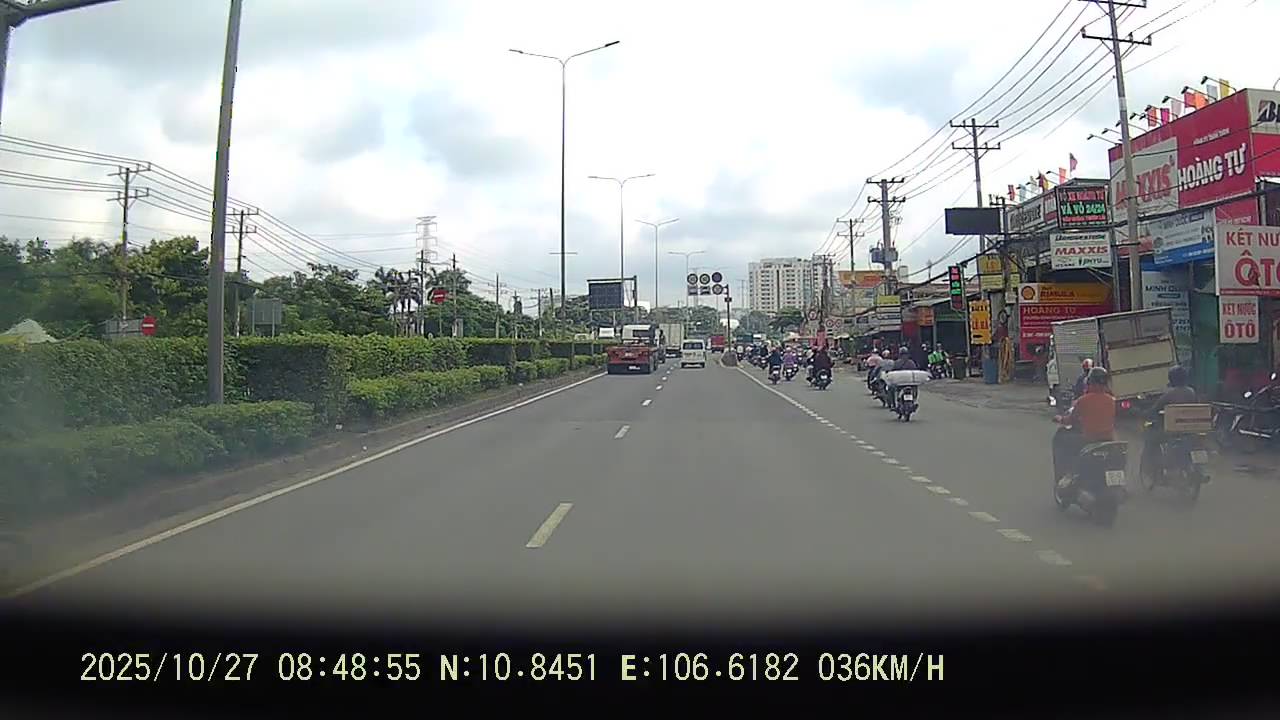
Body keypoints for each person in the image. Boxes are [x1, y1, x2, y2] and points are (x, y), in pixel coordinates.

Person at [1053, 367, 1117, 486]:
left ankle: (1068, 474)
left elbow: (1070, 420)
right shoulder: (1111, 400)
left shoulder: (1083, 400)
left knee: (1064, 441)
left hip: (1089, 440)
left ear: (1090, 382)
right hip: (1108, 440)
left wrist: (1060, 419)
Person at [1140, 366, 1198, 474]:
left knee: (1151, 439)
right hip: (1190, 430)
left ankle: (1156, 465)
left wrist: (1145, 413)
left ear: (1172, 379)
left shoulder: (1170, 394)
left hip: (1172, 431)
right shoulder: (1191, 392)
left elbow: (1155, 408)